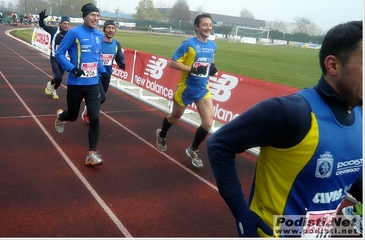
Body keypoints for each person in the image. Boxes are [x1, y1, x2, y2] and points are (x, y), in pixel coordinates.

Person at [206, 20, 363, 237]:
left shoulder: (359, 115)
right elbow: (219, 144)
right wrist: (241, 214)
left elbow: (348, 171)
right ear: (333, 65)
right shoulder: (291, 112)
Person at [155, 13, 217, 168]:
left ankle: (193, 149)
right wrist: (193, 69)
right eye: (204, 25)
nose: (208, 28)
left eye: (210, 25)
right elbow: (173, 63)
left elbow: (211, 63)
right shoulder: (188, 44)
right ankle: (162, 134)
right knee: (175, 117)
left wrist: (213, 68)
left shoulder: (212, 46)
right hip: (186, 88)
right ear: (196, 27)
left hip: (203, 89)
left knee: (208, 123)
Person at [54, 3, 109, 166]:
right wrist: (72, 68)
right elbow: (59, 53)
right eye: (93, 15)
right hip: (76, 83)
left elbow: (96, 57)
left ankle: (91, 154)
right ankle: (60, 117)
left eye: (98, 16)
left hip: (93, 83)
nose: (96, 19)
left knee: (95, 118)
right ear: (85, 16)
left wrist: (103, 71)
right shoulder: (74, 33)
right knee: (72, 115)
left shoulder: (99, 36)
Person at [81, 19, 126, 123]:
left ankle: (88, 108)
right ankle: (91, 115)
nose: (110, 30)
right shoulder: (98, 41)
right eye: (108, 28)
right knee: (102, 98)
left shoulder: (116, 44)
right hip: (95, 75)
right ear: (104, 29)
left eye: (113, 28)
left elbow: (119, 56)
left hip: (107, 75)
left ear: (115, 30)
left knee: (100, 98)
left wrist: (122, 63)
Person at [39, 10, 71, 99]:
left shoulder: (70, 34)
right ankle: (52, 87)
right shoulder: (54, 30)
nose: (66, 26)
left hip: (64, 60)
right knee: (58, 78)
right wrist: (41, 19)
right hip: (54, 58)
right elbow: (43, 26)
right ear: (60, 24)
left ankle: (52, 88)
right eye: (64, 23)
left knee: (59, 79)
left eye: (68, 24)